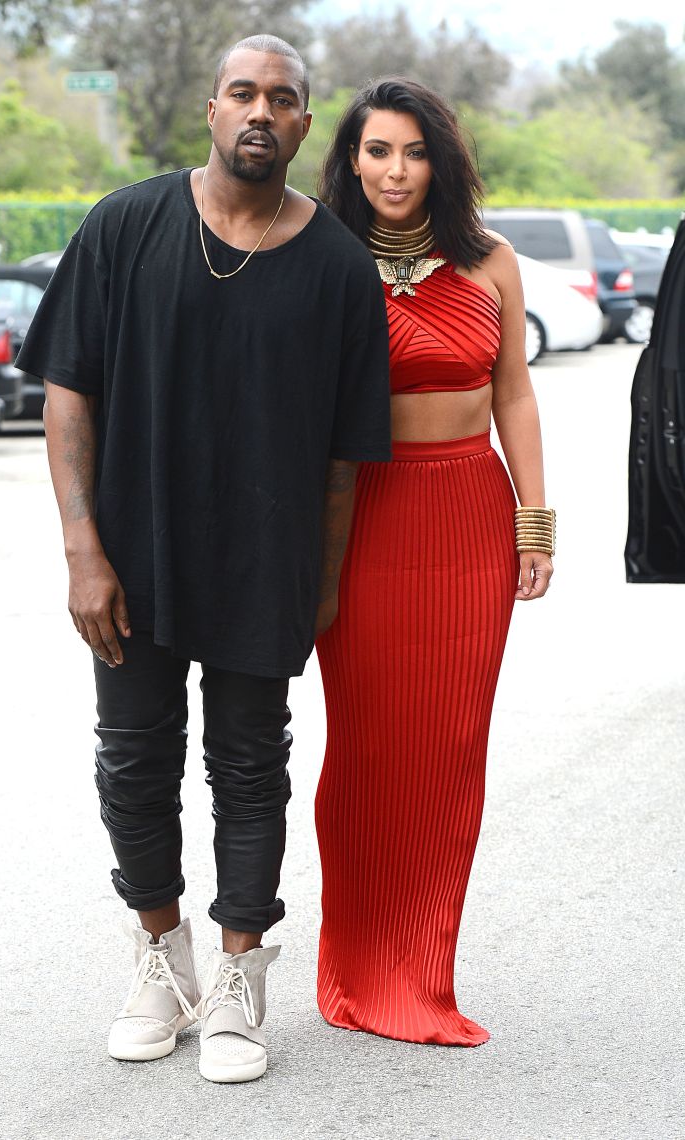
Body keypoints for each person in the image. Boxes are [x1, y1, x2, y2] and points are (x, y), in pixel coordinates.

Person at [15, 37, 391, 1082]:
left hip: (264, 562)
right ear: (209, 109)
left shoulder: (335, 267)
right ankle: (158, 959)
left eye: (282, 98)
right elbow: (68, 391)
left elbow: (345, 452)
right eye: (242, 93)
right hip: (131, 557)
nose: (260, 111)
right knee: (133, 760)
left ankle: (237, 982)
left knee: (248, 765)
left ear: (306, 125)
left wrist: (319, 581)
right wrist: (83, 548)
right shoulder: (126, 224)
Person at [315, 78, 554, 1046]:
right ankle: (357, 966)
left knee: (449, 750)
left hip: (466, 518)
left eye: (412, 152)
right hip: (361, 521)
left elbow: (516, 397)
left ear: (440, 161)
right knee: (366, 745)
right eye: (377, 152)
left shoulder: (490, 261)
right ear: (351, 161)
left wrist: (533, 523)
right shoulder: (323, 260)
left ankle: (423, 971)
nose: (395, 170)